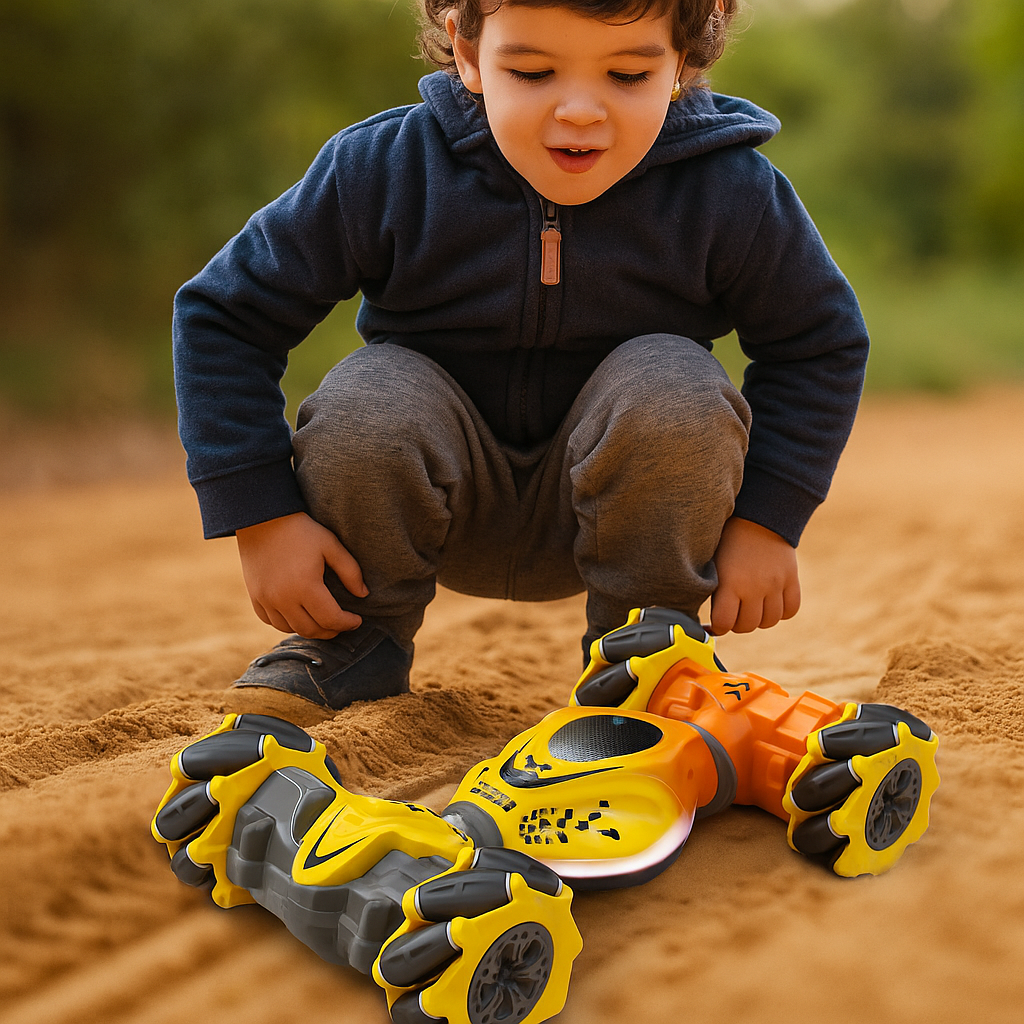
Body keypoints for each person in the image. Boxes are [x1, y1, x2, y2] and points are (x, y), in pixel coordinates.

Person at [172, 0, 869, 712]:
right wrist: (262, 516)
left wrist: (766, 521)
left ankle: (649, 653)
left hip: (627, 512)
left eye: (628, 75)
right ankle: (354, 644)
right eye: (533, 73)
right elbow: (225, 314)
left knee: (674, 383)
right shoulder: (384, 168)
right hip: (430, 500)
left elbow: (819, 342)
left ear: (683, 61)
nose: (580, 112)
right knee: (372, 393)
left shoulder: (729, 189)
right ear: (467, 52)